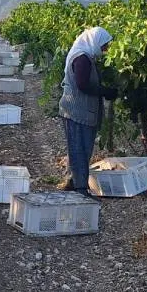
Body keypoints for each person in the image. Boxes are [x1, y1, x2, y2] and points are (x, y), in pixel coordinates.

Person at [58, 27, 118, 195]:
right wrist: (105, 91)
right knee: (79, 149)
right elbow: (83, 85)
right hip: (76, 111)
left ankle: (73, 181)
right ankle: (80, 189)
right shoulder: (82, 58)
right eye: (104, 46)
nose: (105, 50)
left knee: (79, 149)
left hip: (81, 111)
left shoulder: (86, 56)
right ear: (95, 41)